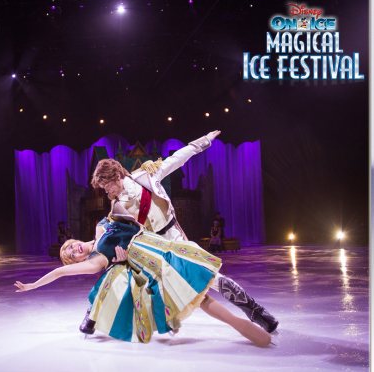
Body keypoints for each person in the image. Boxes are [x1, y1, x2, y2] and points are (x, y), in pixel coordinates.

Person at [85, 130, 279, 334]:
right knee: (149, 284)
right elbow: (112, 234)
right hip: (153, 251)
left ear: (116, 176)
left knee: (210, 276)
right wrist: (94, 248)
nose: (106, 191)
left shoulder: (145, 176)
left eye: (106, 185)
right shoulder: (116, 206)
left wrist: (204, 141)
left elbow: (177, 159)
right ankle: (95, 313)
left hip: (175, 239)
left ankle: (256, 311)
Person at [14, 220, 272, 347]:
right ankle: (239, 324)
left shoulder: (101, 226)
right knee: (199, 297)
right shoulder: (97, 260)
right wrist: (33, 285)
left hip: (164, 248)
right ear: (77, 261)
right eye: (71, 255)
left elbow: (131, 217)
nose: (74, 250)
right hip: (154, 267)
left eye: (71, 246)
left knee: (207, 279)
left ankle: (253, 311)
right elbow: (60, 272)